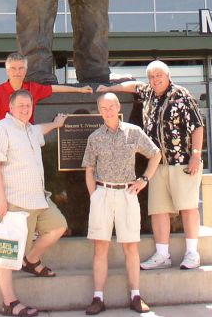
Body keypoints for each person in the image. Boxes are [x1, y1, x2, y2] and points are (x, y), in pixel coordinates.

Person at [99, 59, 206, 271]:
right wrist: (110, 88)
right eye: (151, 77)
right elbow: (132, 86)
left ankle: (192, 253)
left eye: (159, 76)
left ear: (168, 76)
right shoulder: (147, 92)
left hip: (181, 162)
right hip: (157, 163)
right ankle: (162, 254)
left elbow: (197, 126)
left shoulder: (181, 95)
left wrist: (196, 155)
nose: (155, 80)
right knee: (158, 209)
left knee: (188, 207)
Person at [0, 89, 69, 317]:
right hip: (12, 201)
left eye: (28, 106)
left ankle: (30, 260)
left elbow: (41, 129)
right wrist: (0, 199)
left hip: (38, 198)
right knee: (5, 249)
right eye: (20, 105)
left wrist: (56, 123)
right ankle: (9, 302)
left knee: (58, 226)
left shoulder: (30, 130)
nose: (25, 109)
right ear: (10, 108)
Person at [81, 93, 162, 315]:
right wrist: (94, 196)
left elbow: (155, 155)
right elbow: (89, 169)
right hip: (103, 193)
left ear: (118, 108)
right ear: (99, 111)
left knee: (130, 247)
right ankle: (98, 297)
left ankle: (136, 295)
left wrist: (144, 179)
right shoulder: (95, 137)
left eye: (111, 106)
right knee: (100, 248)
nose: (107, 111)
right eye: (103, 108)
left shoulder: (133, 132)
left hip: (127, 193)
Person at [0, 52, 91, 133]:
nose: (17, 72)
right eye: (13, 68)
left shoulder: (32, 89)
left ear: (25, 71)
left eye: (21, 68)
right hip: (4, 142)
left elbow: (54, 88)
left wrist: (79, 89)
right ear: (7, 71)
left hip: (26, 139)